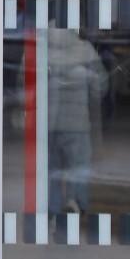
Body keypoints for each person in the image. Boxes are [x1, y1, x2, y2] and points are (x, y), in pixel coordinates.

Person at [46, 28, 110, 213]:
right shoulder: (85, 49)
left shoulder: (42, 49)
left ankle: (52, 206)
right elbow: (101, 84)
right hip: (77, 124)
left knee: (51, 170)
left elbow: (24, 81)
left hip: (49, 124)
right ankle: (74, 202)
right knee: (79, 167)